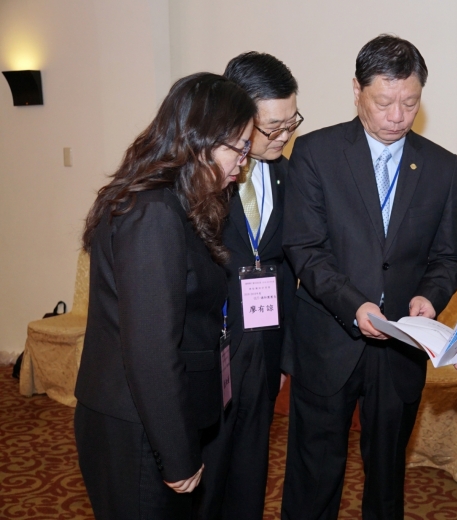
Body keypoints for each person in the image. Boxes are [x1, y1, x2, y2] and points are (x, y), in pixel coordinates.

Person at [281, 34, 457, 520]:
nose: (397, 116)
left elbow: (449, 256)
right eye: (384, 103)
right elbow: (305, 248)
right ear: (356, 91)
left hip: (400, 347)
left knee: (387, 480)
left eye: (410, 102)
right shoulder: (316, 152)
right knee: (314, 474)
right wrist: (353, 304)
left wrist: (430, 297)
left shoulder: (441, 165)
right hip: (329, 339)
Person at [74, 72, 255, 520]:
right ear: (199, 140)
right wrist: (176, 452)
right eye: (238, 148)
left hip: (154, 418)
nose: (243, 163)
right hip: (138, 427)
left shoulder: (178, 201)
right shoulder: (153, 213)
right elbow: (150, 349)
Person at [194, 52, 300, 520]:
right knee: (205, 476)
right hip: (211, 350)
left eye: (291, 122)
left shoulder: (287, 173)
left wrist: (284, 356)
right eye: (272, 127)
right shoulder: (203, 180)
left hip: (263, 349)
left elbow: (289, 269)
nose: (283, 135)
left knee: (250, 472)